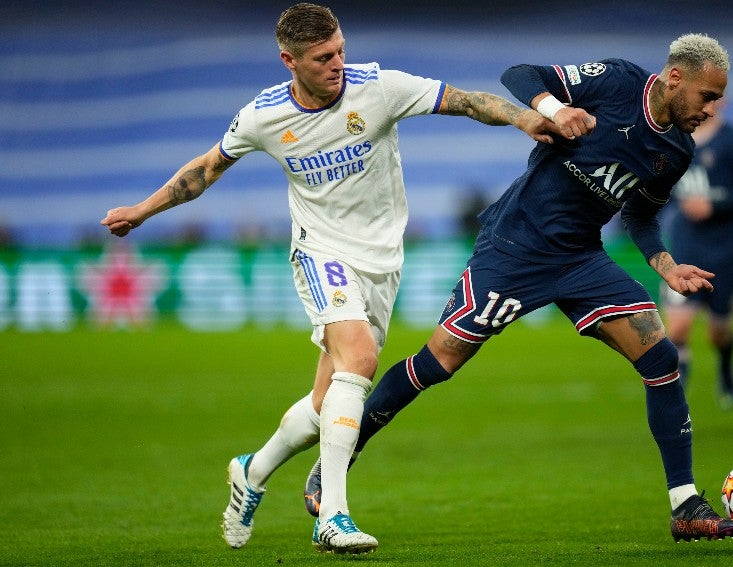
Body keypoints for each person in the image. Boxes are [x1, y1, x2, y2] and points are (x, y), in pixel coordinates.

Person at [100, 2, 552, 555]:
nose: (338, 64)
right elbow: (206, 169)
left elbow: (465, 101)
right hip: (320, 252)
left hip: (381, 260)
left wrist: (524, 118)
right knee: (360, 361)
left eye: (340, 50)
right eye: (322, 58)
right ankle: (332, 515)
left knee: (326, 405)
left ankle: (252, 470)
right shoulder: (264, 116)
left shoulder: (379, 88)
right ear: (289, 61)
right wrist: (142, 211)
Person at [303, 33, 733, 543]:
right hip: (515, 246)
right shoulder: (618, 81)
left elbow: (641, 213)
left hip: (580, 256)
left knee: (661, 358)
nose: (710, 109)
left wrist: (664, 266)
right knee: (438, 362)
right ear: (675, 78)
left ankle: (685, 505)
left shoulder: (677, 149)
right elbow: (520, 74)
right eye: (706, 96)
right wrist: (555, 110)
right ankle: (342, 452)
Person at [660, 104, 733, 409]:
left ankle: (725, 367)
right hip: (685, 248)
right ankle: (677, 401)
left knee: (718, 332)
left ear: (721, 100)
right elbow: (662, 188)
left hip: (725, 250)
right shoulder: (675, 139)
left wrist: (713, 207)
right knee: (677, 327)